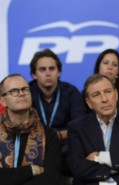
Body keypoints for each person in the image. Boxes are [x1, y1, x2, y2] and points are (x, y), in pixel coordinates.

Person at [67, 74, 119, 185]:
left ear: (116, 94)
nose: (104, 99)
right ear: (88, 103)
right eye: (96, 95)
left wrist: (98, 156)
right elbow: (77, 167)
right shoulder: (77, 127)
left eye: (108, 91)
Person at [29, 48, 86, 184]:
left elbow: (79, 127)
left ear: (59, 72)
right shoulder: (26, 93)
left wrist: (57, 136)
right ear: (34, 74)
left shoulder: (71, 92)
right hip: (35, 144)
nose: (48, 73)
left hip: (64, 145)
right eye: (42, 69)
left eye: (52, 69)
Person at [0, 74, 61, 185]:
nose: (21, 94)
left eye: (25, 89)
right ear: (3, 101)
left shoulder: (49, 135)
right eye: (14, 91)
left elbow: (50, 178)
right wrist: (30, 171)